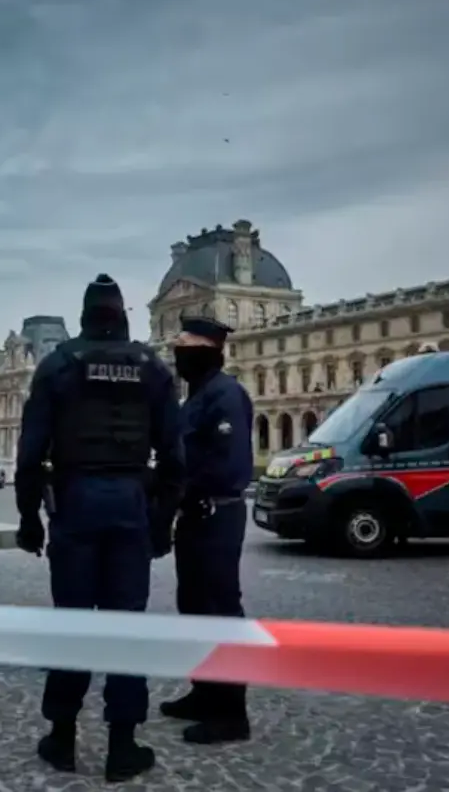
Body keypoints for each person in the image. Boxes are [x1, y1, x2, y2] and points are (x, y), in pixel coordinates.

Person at [15, 274, 184, 784]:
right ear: (124, 316)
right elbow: (175, 459)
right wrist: (163, 523)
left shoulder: (58, 365)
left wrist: (29, 520)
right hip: (131, 500)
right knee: (126, 626)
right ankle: (122, 745)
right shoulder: (152, 368)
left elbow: (28, 458)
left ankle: (62, 739)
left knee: (72, 623)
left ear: (85, 316)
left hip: (75, 501)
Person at [160, 317, 254, 745]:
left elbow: (229, 465)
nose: (177, 354)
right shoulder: (197, 396)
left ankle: (231, 712)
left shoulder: (226, 395)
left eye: (185, 347)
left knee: (220, 610)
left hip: (217, 512)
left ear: (209, 351)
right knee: (194, 606)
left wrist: (189, 489)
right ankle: (204, 692)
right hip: (196, 515)